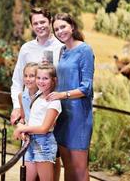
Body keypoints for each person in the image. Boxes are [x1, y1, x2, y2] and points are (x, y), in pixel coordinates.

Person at [10, 7, 63, 180]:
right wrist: (17, 107)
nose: (40, 26)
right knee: (30, 158)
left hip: (51, 108)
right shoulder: (27, 48)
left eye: (43, 22)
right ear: (31, 26)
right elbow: (18, 81)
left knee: (51, 157)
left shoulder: (61, 47)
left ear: (50, 22)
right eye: (35, 23)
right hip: (30, 109)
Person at [47, 13, 95, 181]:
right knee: (68, 166)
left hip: (79, 117)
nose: (60, 31)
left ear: (72, 26)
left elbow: (86, 88)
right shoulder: (62, 51)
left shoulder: (85, 50)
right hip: (63, 115)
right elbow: (61, 80)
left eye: (63, 27)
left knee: (80, 169)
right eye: (57, 29)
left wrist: (62, 95)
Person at [14, 64, 62, 181]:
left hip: (44, 143)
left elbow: (44, 128)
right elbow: (29, 120)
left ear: (53, 80)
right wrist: (22, 126)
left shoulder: (54, 102)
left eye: (45, 78)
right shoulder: (37, 96)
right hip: (30, 141)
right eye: (39, 78)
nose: (41, 81)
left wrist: (22, 129)